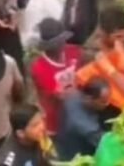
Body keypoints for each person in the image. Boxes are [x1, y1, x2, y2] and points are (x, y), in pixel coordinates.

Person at [30, 18, 84, 146]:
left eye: (62, 41)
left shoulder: (73, 52)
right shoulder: (40, 68)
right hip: (57, 121)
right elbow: (61, 95)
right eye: (58, 42)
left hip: (79, 113)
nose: (62, 45)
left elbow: (84, 72)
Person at [54, 77, 111, 161]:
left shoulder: (74, 94)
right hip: (74, 155)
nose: (107, 104)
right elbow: (106, 142)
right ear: (89, 99)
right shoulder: (85, 125)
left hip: (63, 138)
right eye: (103, 102)